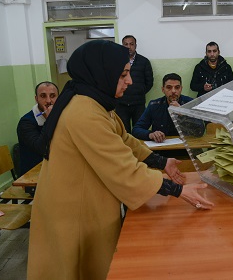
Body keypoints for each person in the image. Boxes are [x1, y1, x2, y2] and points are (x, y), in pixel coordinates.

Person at [27, 40, 214, 280]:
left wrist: (161, 162)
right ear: (103, 73)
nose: (130, 81)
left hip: (85, 202)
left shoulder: (96, 102)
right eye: (124, 74)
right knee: (75, 268)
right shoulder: (84, 112)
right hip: (73, 210)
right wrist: (177, 190)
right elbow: (122, 167)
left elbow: (123, 139)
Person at [16, 81, 58, 176]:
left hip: (53, 168)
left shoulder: (60, 115)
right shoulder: (26, 122)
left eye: (52, 96)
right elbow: (41, 149)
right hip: (33, 174)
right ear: (36, 99)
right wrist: (49, 121)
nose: (48, 101)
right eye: (43, 96)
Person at [115, 35, 154, 132]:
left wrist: (139, 91)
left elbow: (149, 82)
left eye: (131, 44)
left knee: (140, 130)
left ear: (135, 45)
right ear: (122, 46)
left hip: (138, 104)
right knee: (123, 132)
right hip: (121, 104)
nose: (129, 47)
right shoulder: (117, 61)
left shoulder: (144, 61)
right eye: (126, 44)